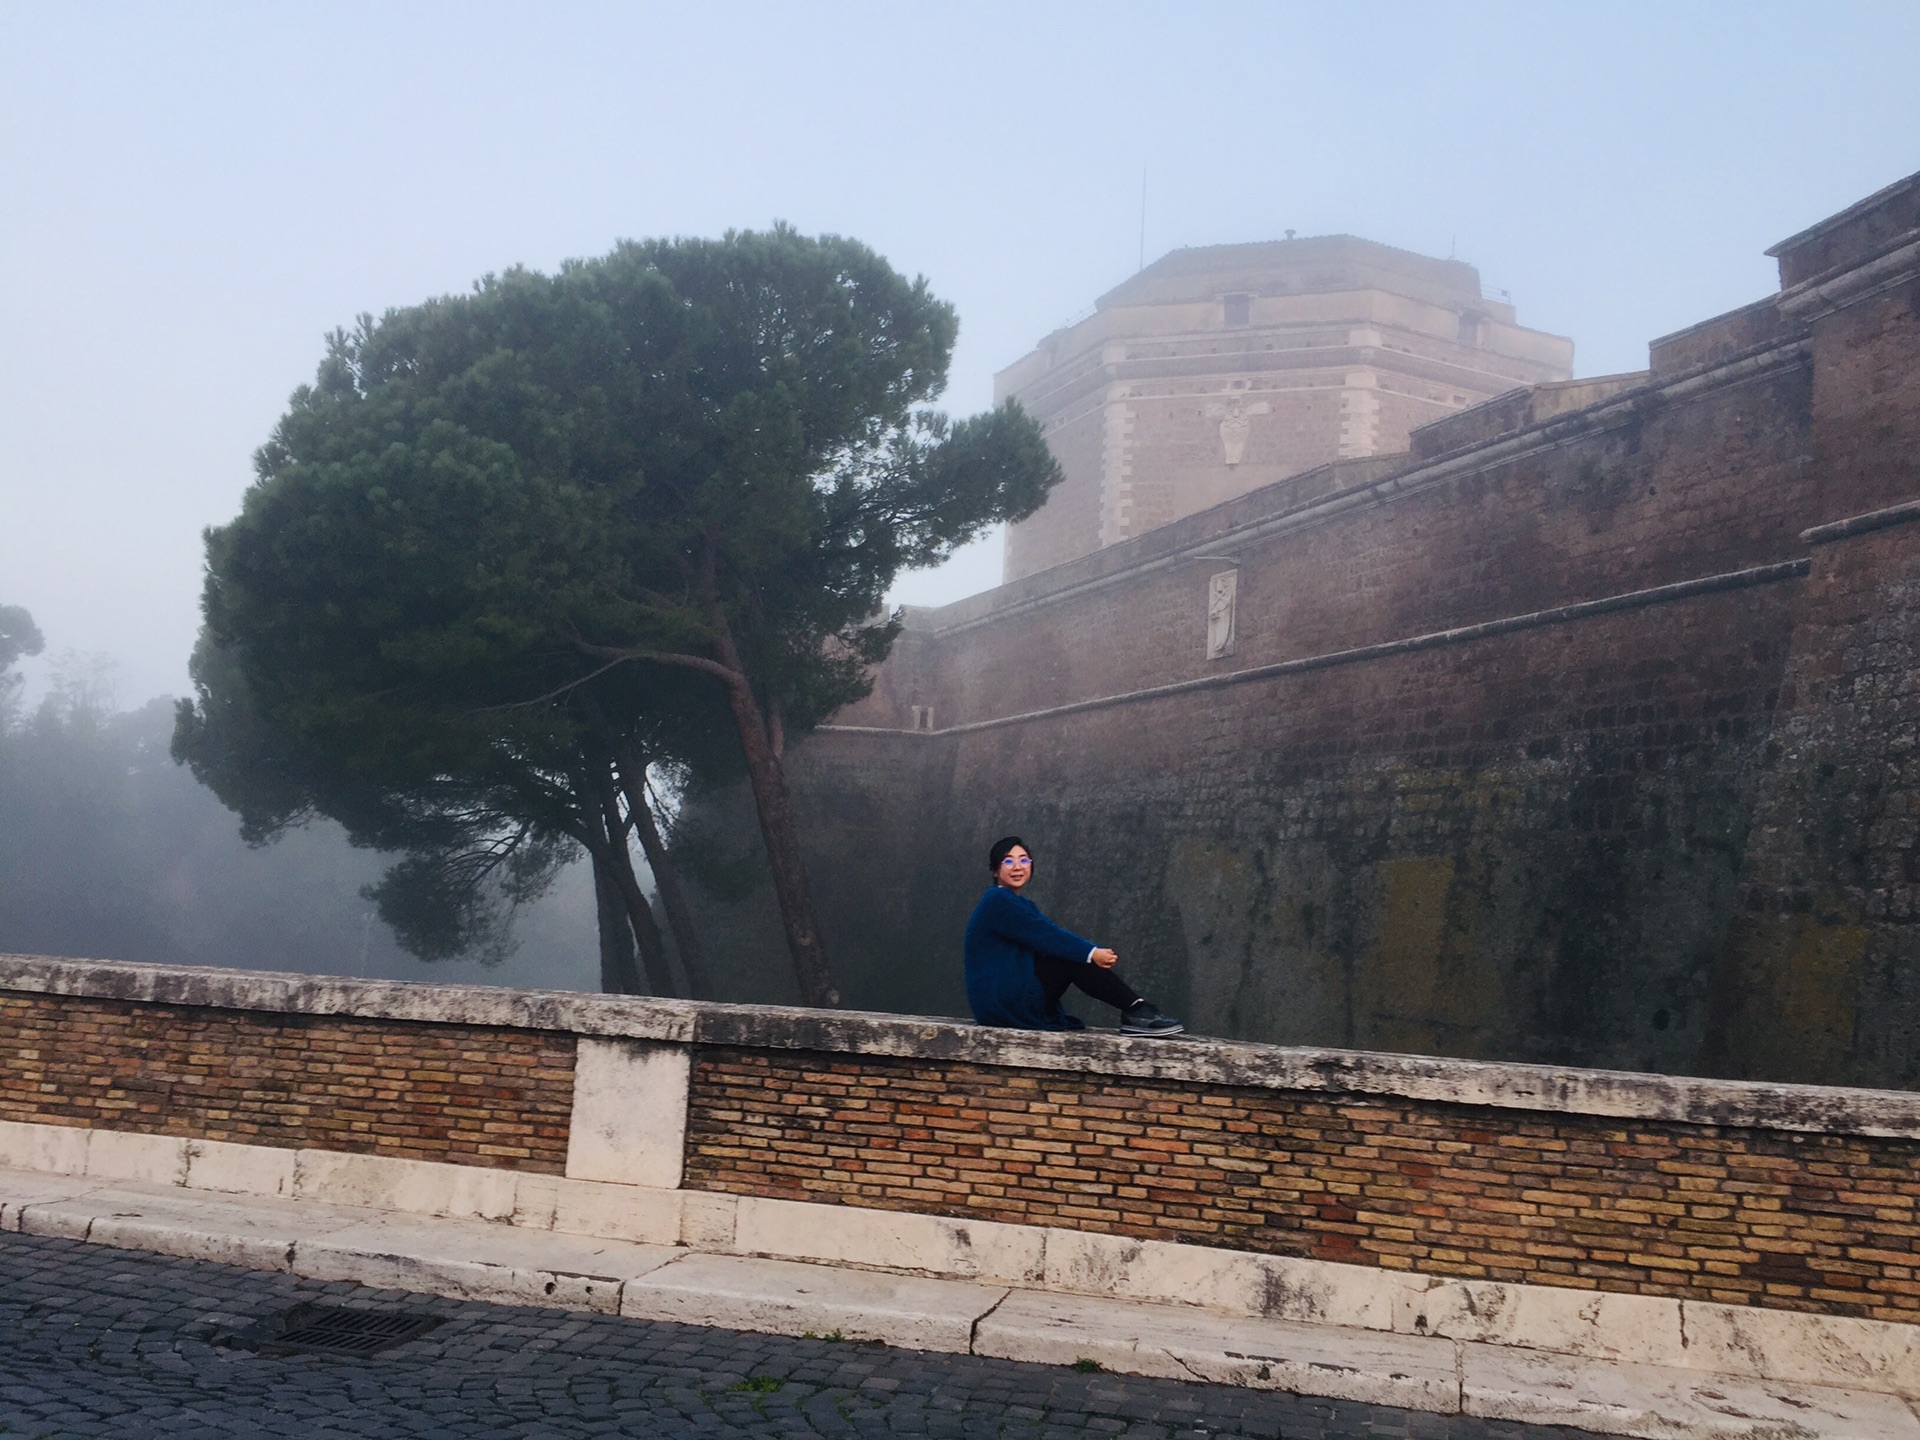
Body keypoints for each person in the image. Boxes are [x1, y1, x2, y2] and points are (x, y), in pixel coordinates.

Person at [963, 836, 1184, 1036]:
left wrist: (1090, 952)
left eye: (1024, 860)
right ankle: (1137, 1010)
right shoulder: (997, 900)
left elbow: (1047, 934)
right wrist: (1091, 953)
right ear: (995, 871)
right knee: (1072, 959)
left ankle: (1137, 1009)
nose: (1018, 867)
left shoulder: (1014, 902)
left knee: (1072, 955)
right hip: (1002, 1003)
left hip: (999, 1001)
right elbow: (1047, 935)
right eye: (1008, 861)